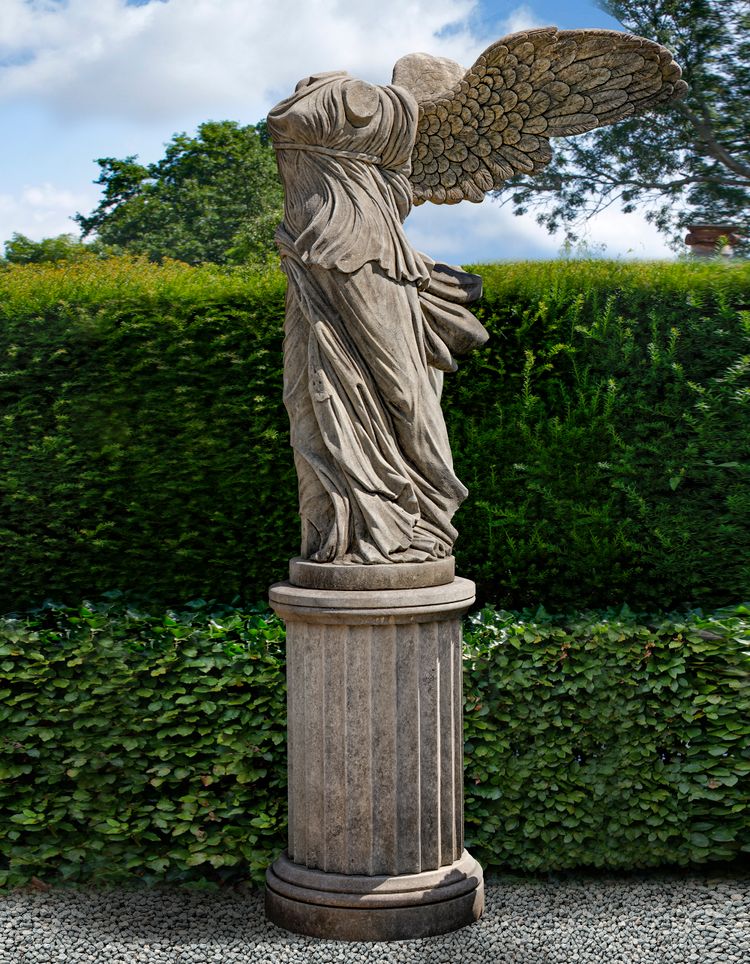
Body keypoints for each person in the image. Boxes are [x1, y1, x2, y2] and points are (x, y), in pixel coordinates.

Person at [268, 71, 488, 565]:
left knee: (402, 388)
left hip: (363, 250)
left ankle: (425, 515)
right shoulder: (336, 94)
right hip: (309, 252)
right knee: (307, 394)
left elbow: (392, 188)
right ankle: (340, 525)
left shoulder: (369, 102)